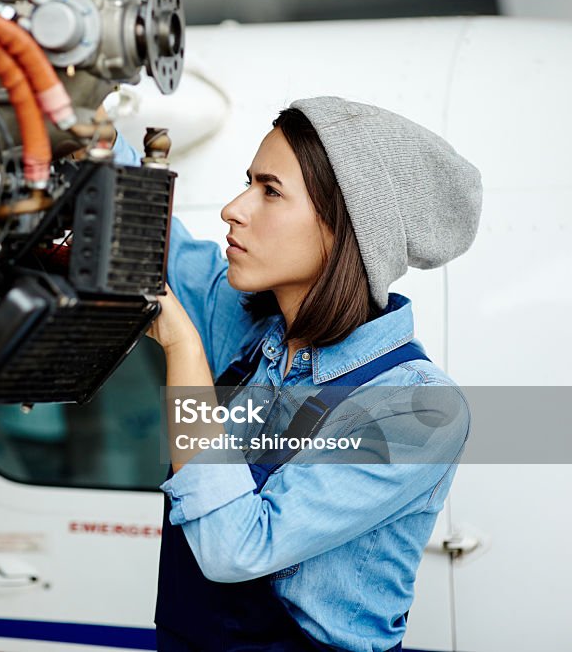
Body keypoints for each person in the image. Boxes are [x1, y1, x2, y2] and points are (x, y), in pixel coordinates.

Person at [117, 96, 482, 651]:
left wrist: (183, 350)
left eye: (270, 191)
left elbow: (235, 549)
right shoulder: (249, 331)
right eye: (248, 183)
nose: (232, 209)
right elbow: (142, 229)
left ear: (345, 229)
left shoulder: (416, 408)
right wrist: (80, 118)